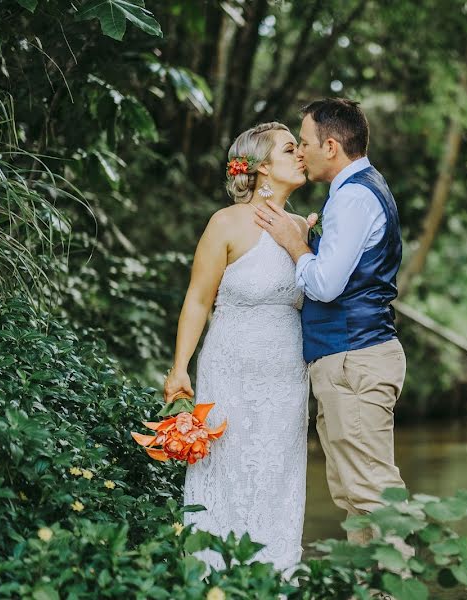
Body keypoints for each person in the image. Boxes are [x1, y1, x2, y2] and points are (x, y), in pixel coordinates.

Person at [255, 98, 407, 545]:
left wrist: (295, 243)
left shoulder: (355, 197)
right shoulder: (354, 191)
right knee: (353, 497)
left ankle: (395, 592)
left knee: (372, 493)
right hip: (347, 359)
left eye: (304, 143)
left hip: (354, 358)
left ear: (332, 146)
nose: (300, 152)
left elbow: (324, 285)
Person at [163, 122, 313, 572]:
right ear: (263, 167)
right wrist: (179, 368)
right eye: (291, 149)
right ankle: (212, 574)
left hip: (287, 375)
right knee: (227, 472)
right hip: (230, 369)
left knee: (277, 474)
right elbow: (197, 299)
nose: (301, 154)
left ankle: (276, 576)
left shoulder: (299, 228)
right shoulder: (225, 223)